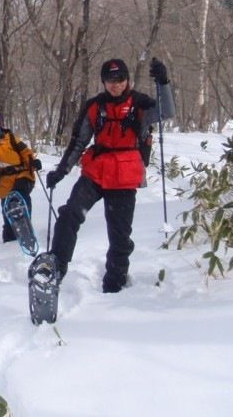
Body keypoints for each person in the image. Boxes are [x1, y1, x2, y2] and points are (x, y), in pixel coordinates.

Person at [44, 58, 175, 293]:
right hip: (95, 173)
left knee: (120, 236)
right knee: (70, 214)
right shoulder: (95, 106)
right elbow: (79, 141)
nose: (115, 85)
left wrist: (163, 82)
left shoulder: (140, 104)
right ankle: (56, 266)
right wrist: (62, 170)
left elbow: (166, 112)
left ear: (128, 80)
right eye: (110, 81)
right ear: (103, 82)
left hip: (124, 177)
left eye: (120, 80)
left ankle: (115, 283)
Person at [0, 112, 42, 243]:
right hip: (3, 183)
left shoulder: (11, 138)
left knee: (19, 198)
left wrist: (33, 162)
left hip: (23, 175)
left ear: (0, 125)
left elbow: (26, 153)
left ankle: (26, 229)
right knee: (8, 212)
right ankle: (10, 241)